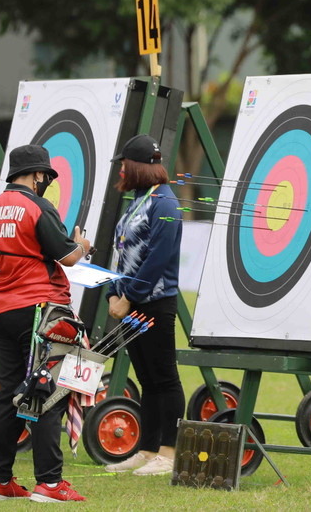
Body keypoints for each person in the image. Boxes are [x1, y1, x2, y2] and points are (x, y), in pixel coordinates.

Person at [0, 144, 90, 502]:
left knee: (8, 390)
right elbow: (69, 257)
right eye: (46, 177)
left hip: (2, 309)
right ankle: (51, 484)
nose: (46, 183)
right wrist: (83, 243)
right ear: (38, 175)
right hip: (40, 309)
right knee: (47, 391)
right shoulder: (38, 207)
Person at [103, 134, 184, 476]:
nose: (121, 170)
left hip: (154, 305)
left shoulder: (164, 203)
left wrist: (129, 297)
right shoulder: (140, 200)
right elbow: (121, 253)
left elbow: (158, 258)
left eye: (125, 164)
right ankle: (148, 450)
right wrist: (113, 292)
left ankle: (169, 450)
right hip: (130, 304)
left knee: (164, 378)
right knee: (147, 379)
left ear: (137, 167)